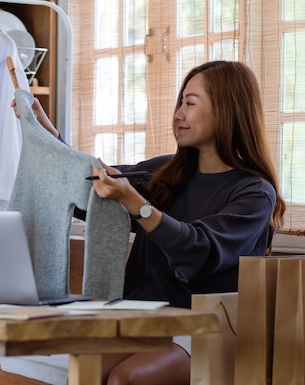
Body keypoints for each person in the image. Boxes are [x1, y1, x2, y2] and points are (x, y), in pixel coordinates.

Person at [15, 60, 285, 385]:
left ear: (226, 110)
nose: (178, 114)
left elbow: (199, 250)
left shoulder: (254, 193)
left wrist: (138, 205)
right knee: (87, 370)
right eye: (180, 102)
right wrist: (47, 132)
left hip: (205, 328)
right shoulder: (165, 172)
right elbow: (89, 186)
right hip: (142, 320)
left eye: (190, 103)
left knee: (126, 378)